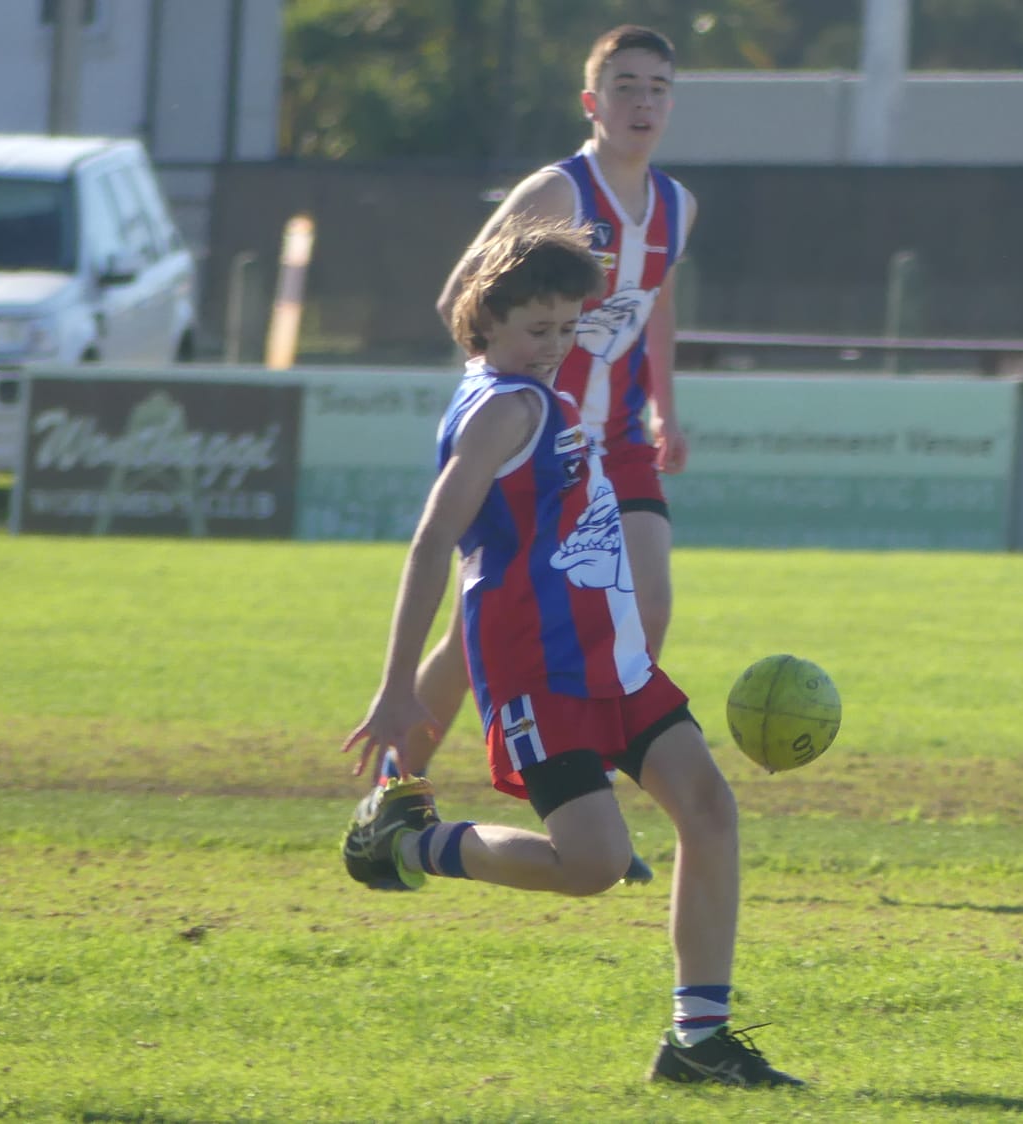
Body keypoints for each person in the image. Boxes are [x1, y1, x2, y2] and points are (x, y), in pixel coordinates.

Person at [339, 217, 801, 1086]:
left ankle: (699, 1041)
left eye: (564, 329)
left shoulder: (521, 391)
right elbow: (434, 540)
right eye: (536, 330)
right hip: (540, 668)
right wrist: (399, 687)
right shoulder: (503, 409)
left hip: (610, 652)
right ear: (486, 321)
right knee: (588, 865)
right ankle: (410, 843)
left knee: (708, 809)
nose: (554, 347)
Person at [383, 28, 698, 883]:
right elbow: (464, 294)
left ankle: (588, 792)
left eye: (658, 88)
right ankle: (392, 789)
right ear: (592, 103)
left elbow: (657, 303)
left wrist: (667, 404)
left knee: (648, 607)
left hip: (620, 441)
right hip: (538, 447)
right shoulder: (559, 189)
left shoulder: (676, 205)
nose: (643, 102)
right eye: (625, 86)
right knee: (464, 645)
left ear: (672, 104)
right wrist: (498, 413)